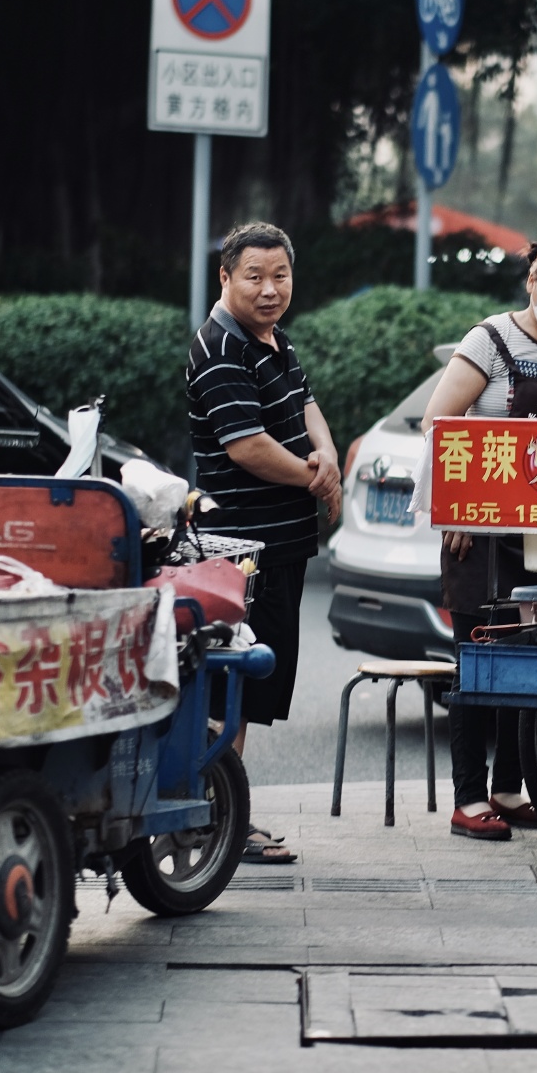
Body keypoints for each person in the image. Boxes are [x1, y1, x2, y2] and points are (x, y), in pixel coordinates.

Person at [421, 236, 537, 841]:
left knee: (531, 663)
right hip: (478, 531)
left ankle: (508, 788)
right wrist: (456, 514)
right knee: (477, 660)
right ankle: (469, 799)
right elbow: (440, 423)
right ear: (532, 282)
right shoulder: (490, 341)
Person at [187, 222, 342, 863]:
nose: (270, 289)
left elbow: (304, 404)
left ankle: (218, 812)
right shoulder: (222, 346)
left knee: (248, 688)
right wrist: (315, 477)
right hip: (241, 549)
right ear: (225, 278)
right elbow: (245, 447)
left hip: (278, 545)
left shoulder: (271, 339)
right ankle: (214, 816)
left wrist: (328, 454)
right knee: (233, 685)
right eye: (254, 276)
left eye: (280, 275)